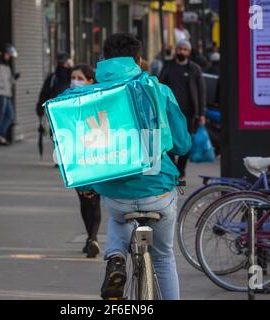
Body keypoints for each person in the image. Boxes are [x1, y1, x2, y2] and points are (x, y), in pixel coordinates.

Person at [77, 33, 191, 300]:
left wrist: (86, 184)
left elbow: (81, 147)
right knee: (163, 258)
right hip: (158, 191)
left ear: (104, 59)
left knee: (118, 213)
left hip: (116, 193)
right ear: (138, 60)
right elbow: (182, 145)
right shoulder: (159, 91)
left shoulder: (90, 95)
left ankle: (116, 257)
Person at [67, 64, 102, 258]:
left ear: (90, 80)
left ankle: (93, 237)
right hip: (75, 156)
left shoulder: (97, 100)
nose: (75, 81)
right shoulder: (66, 100)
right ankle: (91, 237)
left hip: (93, 155)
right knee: (83, 197)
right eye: (73, 77)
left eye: (79, 78)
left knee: (93, 198)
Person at [159, 38, 207, 181]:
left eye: (185, 50)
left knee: (186, 141)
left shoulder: (194, 69)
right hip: (169, 112)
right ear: (176, 50)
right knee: (169, 140)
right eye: (180, 49)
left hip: (189, 113)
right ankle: (173, 168)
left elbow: (201, 91)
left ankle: (181, 170)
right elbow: (159, 85)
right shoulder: (168, 67)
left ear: (189, 52)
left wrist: (201, 113)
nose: (182, 52)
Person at [0, 43, 20, 145]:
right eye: (7, 54)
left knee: (10, 115)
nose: (8, 56)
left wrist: (14, 79)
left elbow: (9, 81)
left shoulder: (7, 66)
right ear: (1, 53)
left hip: (6, 94)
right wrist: (2, 84)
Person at [36, 53, 73, 118]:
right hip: (55, 111)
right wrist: (40, 107)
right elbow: (44, 93)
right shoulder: (53, 78)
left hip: (69, 110)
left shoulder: (73, 76)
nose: (64, 64)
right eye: (62, 62)